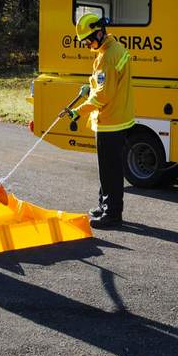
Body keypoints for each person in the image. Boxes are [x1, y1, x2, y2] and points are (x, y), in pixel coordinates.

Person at [66, 14, 134, 229]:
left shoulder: (107, 56)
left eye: (88, 40)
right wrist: (90, 87)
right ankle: (104, 205)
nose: (87, 45)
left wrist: (79, 110)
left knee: (110, 169)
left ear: (99, 32)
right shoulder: (113, 50)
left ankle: (112, 214)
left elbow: (104, 95)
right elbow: (106, 85)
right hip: (118, 117)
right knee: (107, 168)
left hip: (111, 121)